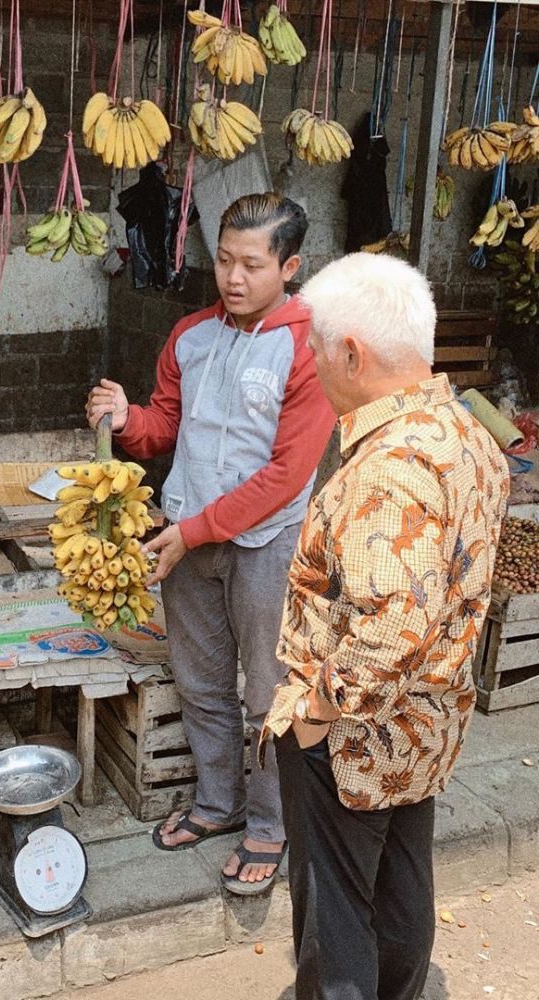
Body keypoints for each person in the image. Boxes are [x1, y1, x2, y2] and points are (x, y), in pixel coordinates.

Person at [261, 253, 508, 1000]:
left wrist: (315, 710)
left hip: (352, 737)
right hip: (423, 726)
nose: (309, 363)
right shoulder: (464, 431)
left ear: (351, 353)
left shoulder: (389, 467)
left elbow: (395, 622)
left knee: (335, 917)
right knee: (401, 891)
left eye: (314, 348)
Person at [86, 192, 336, 894]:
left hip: (266, 545)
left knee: (268, 693)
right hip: (187, 538)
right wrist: (126, 418)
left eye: (251, 265)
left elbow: (287, 476)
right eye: (224, 260)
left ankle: (270, 824)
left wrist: (191, 531)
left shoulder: (308, 347)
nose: (233, 277)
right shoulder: (191, 335)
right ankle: (218, 803)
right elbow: (165, 427)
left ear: (289, 267)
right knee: (199, 683)